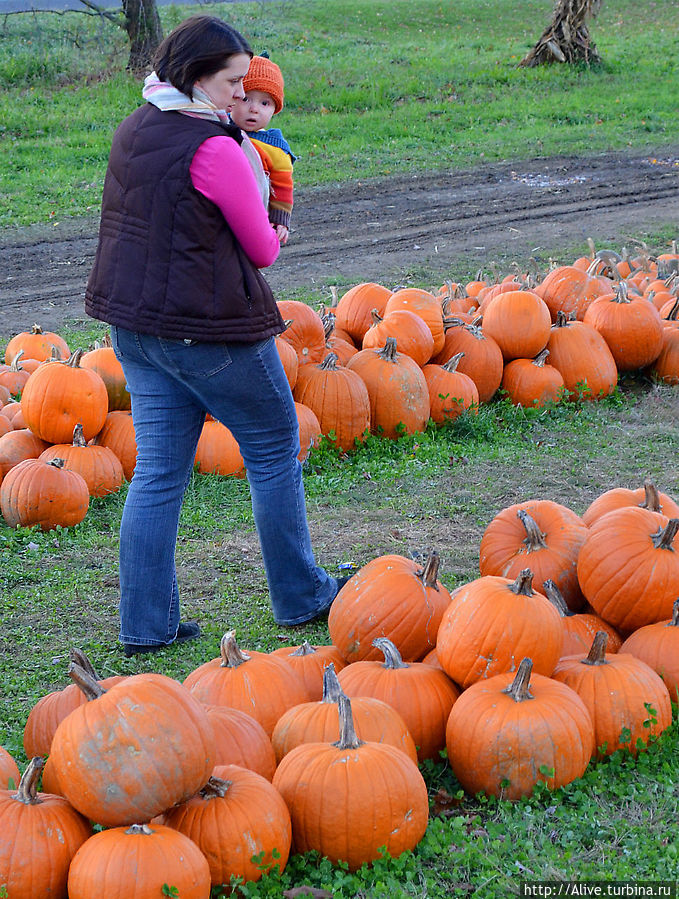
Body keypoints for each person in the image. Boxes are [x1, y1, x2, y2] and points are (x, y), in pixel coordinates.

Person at [84, 15, 344, 656]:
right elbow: (260, 250)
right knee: (275, 447)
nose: (241, 92)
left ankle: (146, 625)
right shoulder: (217, 149)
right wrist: (279, 228)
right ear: (197, 77)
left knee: (158, 475)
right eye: (231, 81)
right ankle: (300, 596)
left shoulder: (136, 127)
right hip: (210, 332)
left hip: (138, 330)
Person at [229, 54, 296, 246]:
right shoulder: (217, 128)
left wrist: (280, 220)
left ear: (275, 109)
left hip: (254, 216)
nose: (254, 109)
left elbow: (282, 186)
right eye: (246, 99)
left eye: (264, 103)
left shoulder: (274, 147)